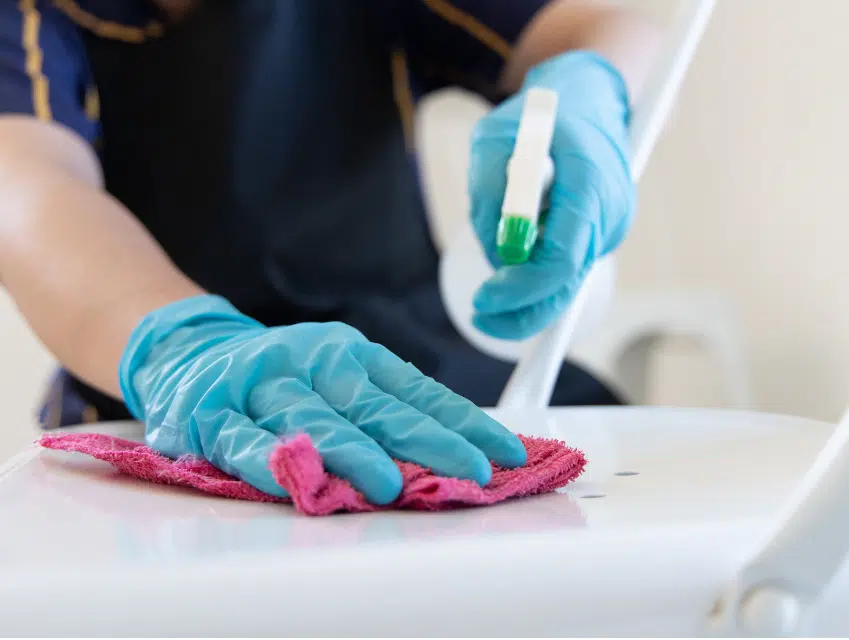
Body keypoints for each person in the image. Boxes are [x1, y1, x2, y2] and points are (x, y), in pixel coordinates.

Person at [0, 0, 661, 504]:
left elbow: (593, 21)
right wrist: (185, 345)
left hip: (428, 369)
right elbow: (27, 189)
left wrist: (586, 85)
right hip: (169, 406)